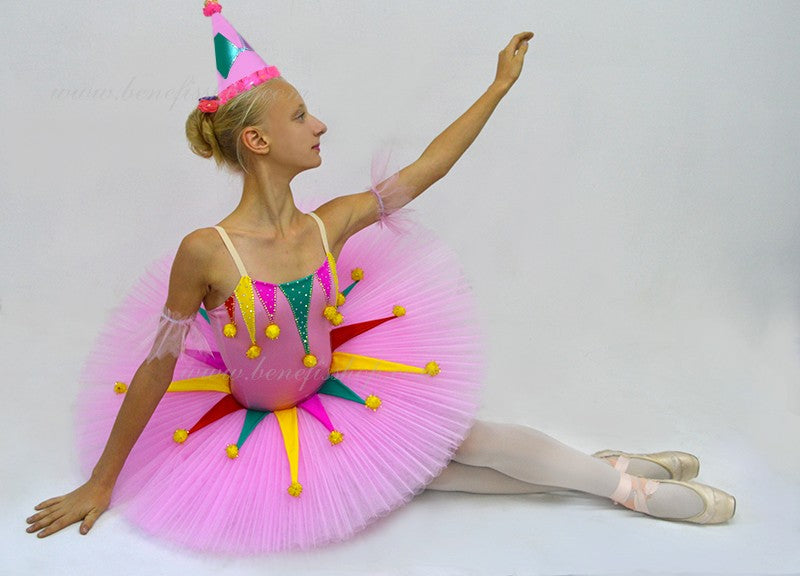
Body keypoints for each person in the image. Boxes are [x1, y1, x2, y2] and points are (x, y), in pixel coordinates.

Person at [26, 1, 734, 553]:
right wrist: (102, 481)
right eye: (300, 115)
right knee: (426, 475)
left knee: (465, 442)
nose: (319, 125)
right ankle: (604, 468)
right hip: (272, 430)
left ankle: (623, 487)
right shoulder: (207, 252)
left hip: (340, 398)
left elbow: (426, 169)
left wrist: (497, 87)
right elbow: (158, 364)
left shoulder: (328, 224)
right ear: (258, 140)